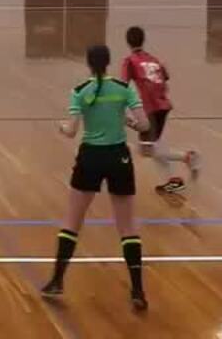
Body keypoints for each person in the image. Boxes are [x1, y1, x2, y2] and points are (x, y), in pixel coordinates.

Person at [42, 44, 150, 311]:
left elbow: (71, 131)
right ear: (108, 62)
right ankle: (137, 289)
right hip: (118, 157)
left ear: (88, 64)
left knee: (72, 222)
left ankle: (56, 281)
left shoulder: (80, 91)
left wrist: (60, 126)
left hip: (90, 157)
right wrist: (126, 121)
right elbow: (145, 125)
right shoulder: (124, 89)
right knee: (127, 228)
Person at [121, 26, 200, 195]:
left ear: (128, 41)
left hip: (150, 108)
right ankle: (172, 182)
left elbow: (123, 86)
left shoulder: (130, 61)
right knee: (155, 147)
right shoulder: (154, 59)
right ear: (143, 40)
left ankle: (187, 157)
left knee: (146, 150)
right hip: (163, 105)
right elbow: (165, 76)